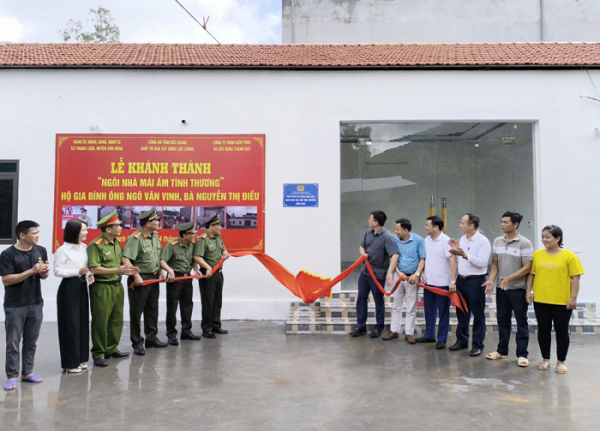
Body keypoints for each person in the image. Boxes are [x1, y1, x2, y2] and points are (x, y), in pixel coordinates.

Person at [527, 225, 584, 374]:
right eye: (543, 237)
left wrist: (573, 298)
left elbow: (575, 278)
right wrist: (528, 291)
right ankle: (545, 359)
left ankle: (561, 361)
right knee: (543, 331)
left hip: (562, 302)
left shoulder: (569, 256)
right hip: (541, 300)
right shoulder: (537, 255)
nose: (544, 240)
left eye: (548, 237)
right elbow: (532, 275)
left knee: (562, 331)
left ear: (558, 239)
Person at [0, 221, 49, 391]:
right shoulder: (8, 254)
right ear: (22, 235)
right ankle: (12, 376)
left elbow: (44, 276)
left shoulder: (40, 250)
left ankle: (27, 373)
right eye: (34, 233)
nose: (37, 235)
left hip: (35, 302)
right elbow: (6, 280)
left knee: (31, 341)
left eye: (38, 232)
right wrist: (31, 271)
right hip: (15, 305)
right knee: (13, 342)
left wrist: (44, 272)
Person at [484, 212, 533, 367]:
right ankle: (502, 351)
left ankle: (522, 354)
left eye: (506, 222)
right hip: (501, 289)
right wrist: (491, 280)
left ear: (515, 225)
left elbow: (527, 267)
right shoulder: (498, 241)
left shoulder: (524, 243)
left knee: (521, 322)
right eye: (501, 222)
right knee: (503, 320)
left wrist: (509, 278)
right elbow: (494, 264)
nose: (502, 225)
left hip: (517, 289)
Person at [88, 210, 135, 367]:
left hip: (116, 286)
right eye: (117, 226)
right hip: (102, 288)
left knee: (116, 320)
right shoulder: (95, 245)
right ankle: (99, 353)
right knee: (101, 321)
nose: (121, 228)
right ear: (108, 229)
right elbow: (94, 268)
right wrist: (117, 270)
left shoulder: (116, 243)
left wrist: (129, 268)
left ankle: (111, 348)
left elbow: (118, 264)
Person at [122, 208, 167, 355]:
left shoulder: (154, 236)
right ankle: (137, 342)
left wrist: (160, 270)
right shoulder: (136, 238)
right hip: (141, 279)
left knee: (152, 310)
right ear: (148, 223)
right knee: (137, 312)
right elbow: (125, 258)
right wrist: (135, 276)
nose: (159, 223)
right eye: (156, 221)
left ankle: (151, 338)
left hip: (153, 278)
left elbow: (157, 255)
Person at [350, 211, 399, 339]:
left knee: (378, 300)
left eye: (370, 219)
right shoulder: (368, 233)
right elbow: (362, 246)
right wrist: (363, 254)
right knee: (361, 298)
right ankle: (361, 327)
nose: (368, 220)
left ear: (376, 222)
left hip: (378, 275)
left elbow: (394, 254)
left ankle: (378, 327)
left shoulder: (387, 237)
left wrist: (389, 272)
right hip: (365, 272)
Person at [448, 213, 491, 357]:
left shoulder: (482, 241)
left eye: (462, 223)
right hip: (462, 280)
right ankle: (462, 341)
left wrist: (465, 255)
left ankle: (478, 345)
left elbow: (483, 263)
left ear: (471, 225)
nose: (460, 225)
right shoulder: (462, 239)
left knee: (478, 314)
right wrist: (456, 249)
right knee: (462, 312)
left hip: (475, 281)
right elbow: (460, 259)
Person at [54, 220, 94, 374]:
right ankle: (70, 363)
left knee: (82, 323)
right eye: (83, 230)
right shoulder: (63, 250)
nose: (86, 233)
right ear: (75, 232)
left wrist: (89, 275)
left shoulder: (84, 248)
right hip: (68, 289)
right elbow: (58, 271)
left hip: (81, 287)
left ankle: (80, 359)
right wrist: (78, 272)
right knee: (70, 326)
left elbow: (86, 268)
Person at [416, 215, 457, 350]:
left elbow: (452, 261)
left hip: (442, 284)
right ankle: (429, 335)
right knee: (429, 311)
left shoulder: (446, 241)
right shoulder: (426, 241)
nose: (425, 227)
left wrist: (452, 281)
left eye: (427, 225)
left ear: (436, 227)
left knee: (443, 312)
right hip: (428, 283)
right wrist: (421, 273)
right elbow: (424, 259)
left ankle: (442, 339)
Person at [383, 218, 425, 344]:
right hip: (399, 276)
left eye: (397, 229)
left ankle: (409, 333)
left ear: (406, 230)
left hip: (412, 278)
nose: (396, 232)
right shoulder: (395, 241)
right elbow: (393, 258)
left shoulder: (418, 240)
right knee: (397, 305)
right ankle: (394, 330)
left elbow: (422, 259)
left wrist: (416, 274)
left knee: (411, 306)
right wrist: (398, 272)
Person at [160, 220, 201, 345]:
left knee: (187, 305)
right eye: (192, 234)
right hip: (175, 279)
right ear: (184, 235)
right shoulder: (172, 245)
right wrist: (169, 270)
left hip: (187, 278)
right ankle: (171, 334)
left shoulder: (192, 245)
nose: (194, 236)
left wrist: (196, 269)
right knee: (172, 306)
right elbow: (162, 261)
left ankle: (186, 332)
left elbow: (193, 259)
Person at [194, 214, 231, 338]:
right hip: (207, 274)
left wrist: (225, 252)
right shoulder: (202, 239)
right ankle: (207, 328)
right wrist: (208, 267)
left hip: (219, 274)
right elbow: (197, 257)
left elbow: (222, 249)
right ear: (211, 226)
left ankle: (216, 325)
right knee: (208, 302)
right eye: (218, 225)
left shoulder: (217, 237)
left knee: (217, 301)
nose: (221, 227)